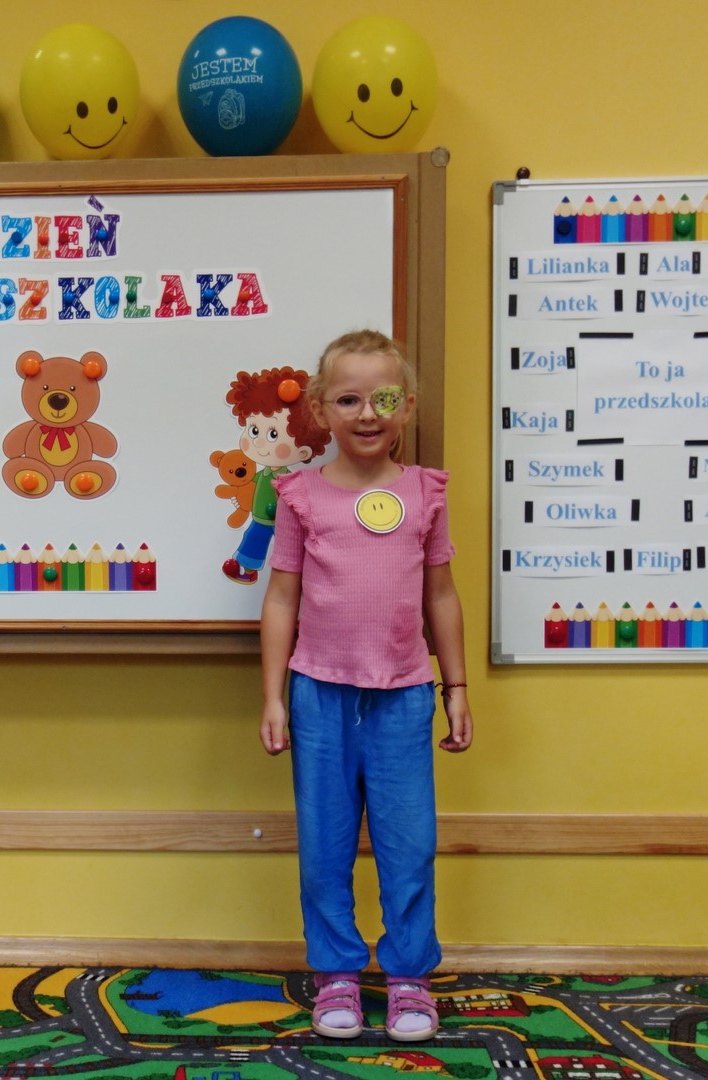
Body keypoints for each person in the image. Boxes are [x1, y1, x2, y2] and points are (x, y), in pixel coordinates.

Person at [259, 330, 472, 1043]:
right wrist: (272, 697)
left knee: (409, 844)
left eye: (383, 398)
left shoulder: (423, 493)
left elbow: (440, 594)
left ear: (407, 405)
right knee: (324, 846)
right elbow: (281, 599)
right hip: (319, 696)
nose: (367, 414)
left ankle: (409, 977)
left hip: (404, 695)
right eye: (348, 400)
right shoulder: (301, 496)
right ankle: (337, 974)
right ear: (321, 409)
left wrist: (455, 686)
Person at [221, 366, 330, 585]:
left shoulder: (292, 480)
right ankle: (248, 570)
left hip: (286, 522)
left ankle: (306, 575)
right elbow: (248, 485)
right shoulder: (262, 474)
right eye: (254, 431)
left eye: (272, 434)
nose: (260, 442)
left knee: (293, 548)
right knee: (253, 540)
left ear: (304, 451)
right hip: (260, 519)